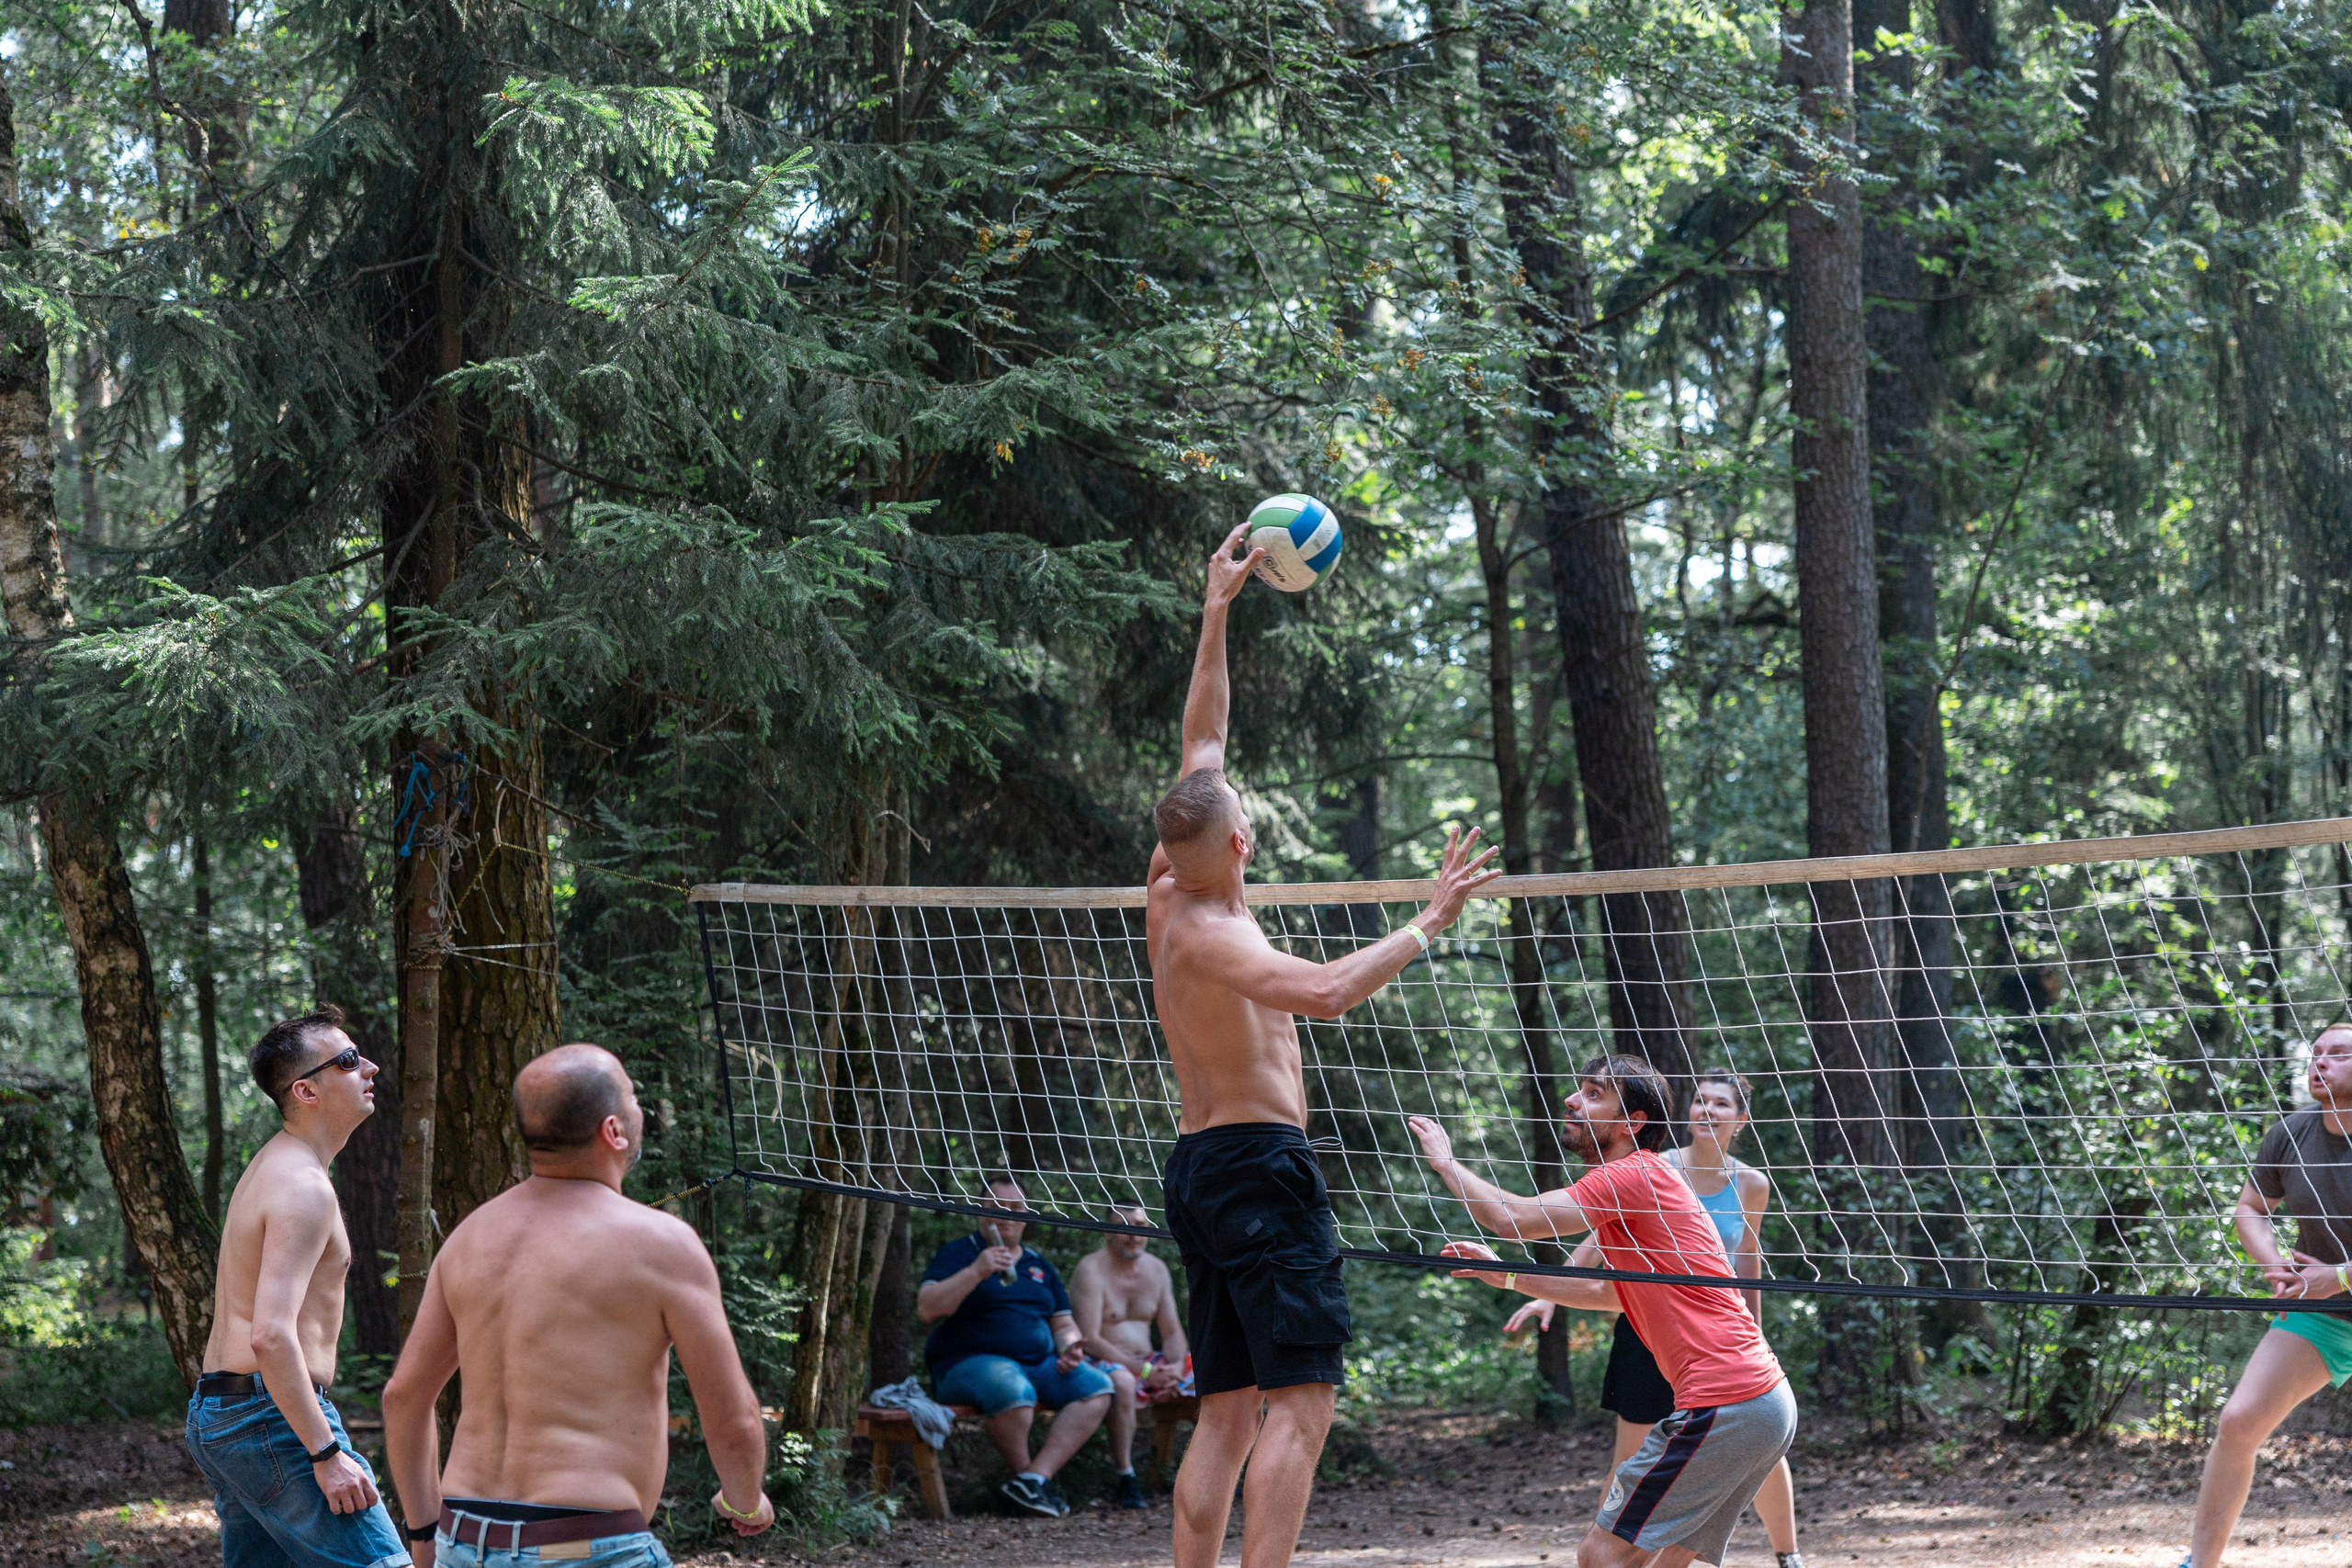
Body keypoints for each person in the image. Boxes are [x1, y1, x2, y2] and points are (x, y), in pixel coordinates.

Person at [1149, 520, 1501, 1568]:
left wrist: (1216, 612)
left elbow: (1202, 744)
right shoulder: (1216, 937)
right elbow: (1328, 991)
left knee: (1224, 1409)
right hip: (1258, 1169)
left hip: (1199, 1168)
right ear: (1243, 843)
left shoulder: (1169, 879)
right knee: (1301, 1404)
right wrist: (1427, 921)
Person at [382, 1043, 773, 1568]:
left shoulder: (469, 1239)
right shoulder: (660, 1244)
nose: (641, 1106)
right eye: (633, 1095)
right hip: (587, 1545)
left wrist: (426, 1533)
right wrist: (745, 1501)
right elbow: (734, 1422)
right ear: (613, 1130)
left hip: (464, 1540)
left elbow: (404, 1396)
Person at [1410, 1055, 1793, 1568]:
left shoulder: (1633, 1176)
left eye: (1593, 1094)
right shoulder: (1645, 1182)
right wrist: (1505, 1274)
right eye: (1578, 1089)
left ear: (1633, 1121)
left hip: (1728, 1400)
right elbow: (1604, 1293)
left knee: (1601, 1555)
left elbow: (1513, 1218)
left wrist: (1444, 1162)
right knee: (1653, 1562)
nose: (1572, 1099)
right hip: (1759, 1399)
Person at [187, 1007, 411, 1568]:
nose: (372, 1067)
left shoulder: (277, 1167)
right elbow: (271, 1335)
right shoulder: (302, 1186)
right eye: (350, 1060)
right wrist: (326, 1451)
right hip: (272, 1418)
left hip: (228, 1412)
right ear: (306, 1091)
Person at [2177, 1021, 2352, 1568]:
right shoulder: (2291, 1133)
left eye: (2340, 1054)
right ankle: (2200, 1564)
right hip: (2324, 1312)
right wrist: (2275, 1265)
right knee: (2239, 1422)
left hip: (2336, 1290)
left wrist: (2343, 1275)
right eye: (2316, 1053)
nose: (2320, 1062)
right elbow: (2250, 1208)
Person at [916, 1176, 1114, 1517]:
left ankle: (1033, 1481)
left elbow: (1063, 1323)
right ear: (981, 1213)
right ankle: (1029, 1483)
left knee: (1098, 1387)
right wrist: (976, 1271)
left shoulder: (1039, 1265)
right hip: (967, 1365)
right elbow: (927, 1308)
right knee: (1012, 1387)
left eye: (1016, 1208)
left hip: (1038, 1365)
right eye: (997, 1208)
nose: (1007, 1216)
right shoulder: (958, 1253)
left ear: (1026, 1216)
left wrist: (1069, 1347)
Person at [1069, 1203, 1193, 1508]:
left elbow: (1172, 1332)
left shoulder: (1157, 1269)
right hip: (1107, 1362)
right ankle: (1127, 1477)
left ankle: (1213, 1476)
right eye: (1123, 1227)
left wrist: (1175, 1366)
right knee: (1123, 1382)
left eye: (1139, 1226)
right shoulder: (1090, 1269)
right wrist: (1146, 1371)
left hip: (1153, 1363)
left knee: (1219, 1375)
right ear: (1108, 1233)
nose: (1133, 1235)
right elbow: (1090, 1339)